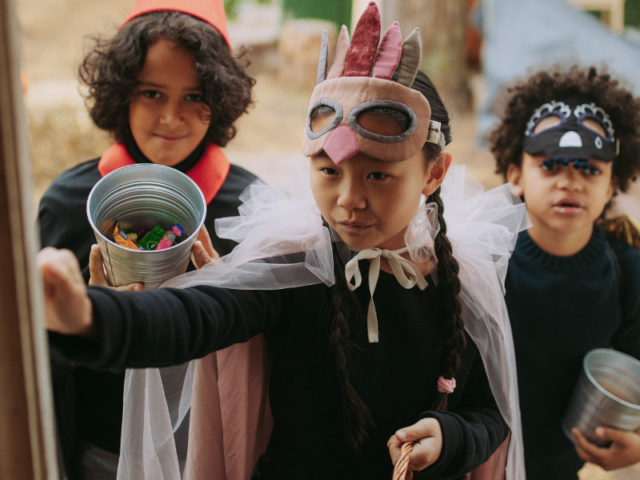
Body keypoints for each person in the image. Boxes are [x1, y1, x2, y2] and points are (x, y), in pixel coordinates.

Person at [39, 3, 528, 479]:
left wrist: (453, 437)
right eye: (329, 172)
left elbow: (490, 409)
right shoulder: (292, 263)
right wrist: (87, 317)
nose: (348, 200)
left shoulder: (461, 278)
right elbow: (196, 315)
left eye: (378, 175)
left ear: (433, 172)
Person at [37, 0, 258, 478]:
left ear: (221, 97)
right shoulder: (69, 204)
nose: (172, 118)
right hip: (101, 450)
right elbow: (39, 357)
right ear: (120, 94)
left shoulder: (251, 209)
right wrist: (92, 317)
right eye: (152, 93)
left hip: (210, 455)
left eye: (195, 95)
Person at [488, 65, 640, 479]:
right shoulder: (485, 257)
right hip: (477, 465)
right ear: (516, 175)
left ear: (612, 184)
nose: (570, 181)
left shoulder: (627, 270)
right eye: (551, 165)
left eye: (590, 168)